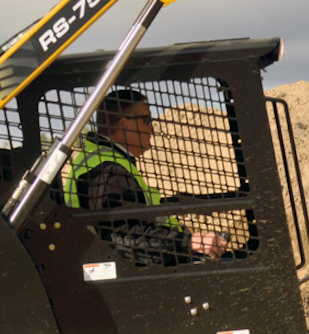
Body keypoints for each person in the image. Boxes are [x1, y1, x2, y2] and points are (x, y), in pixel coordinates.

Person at [57, 89, 228, 264]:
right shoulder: (106, 169)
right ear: (124, 124)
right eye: (147, 121)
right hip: (137, 273)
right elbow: (124, 235)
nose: (152, 128)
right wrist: (189, 242)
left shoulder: (104, 160)